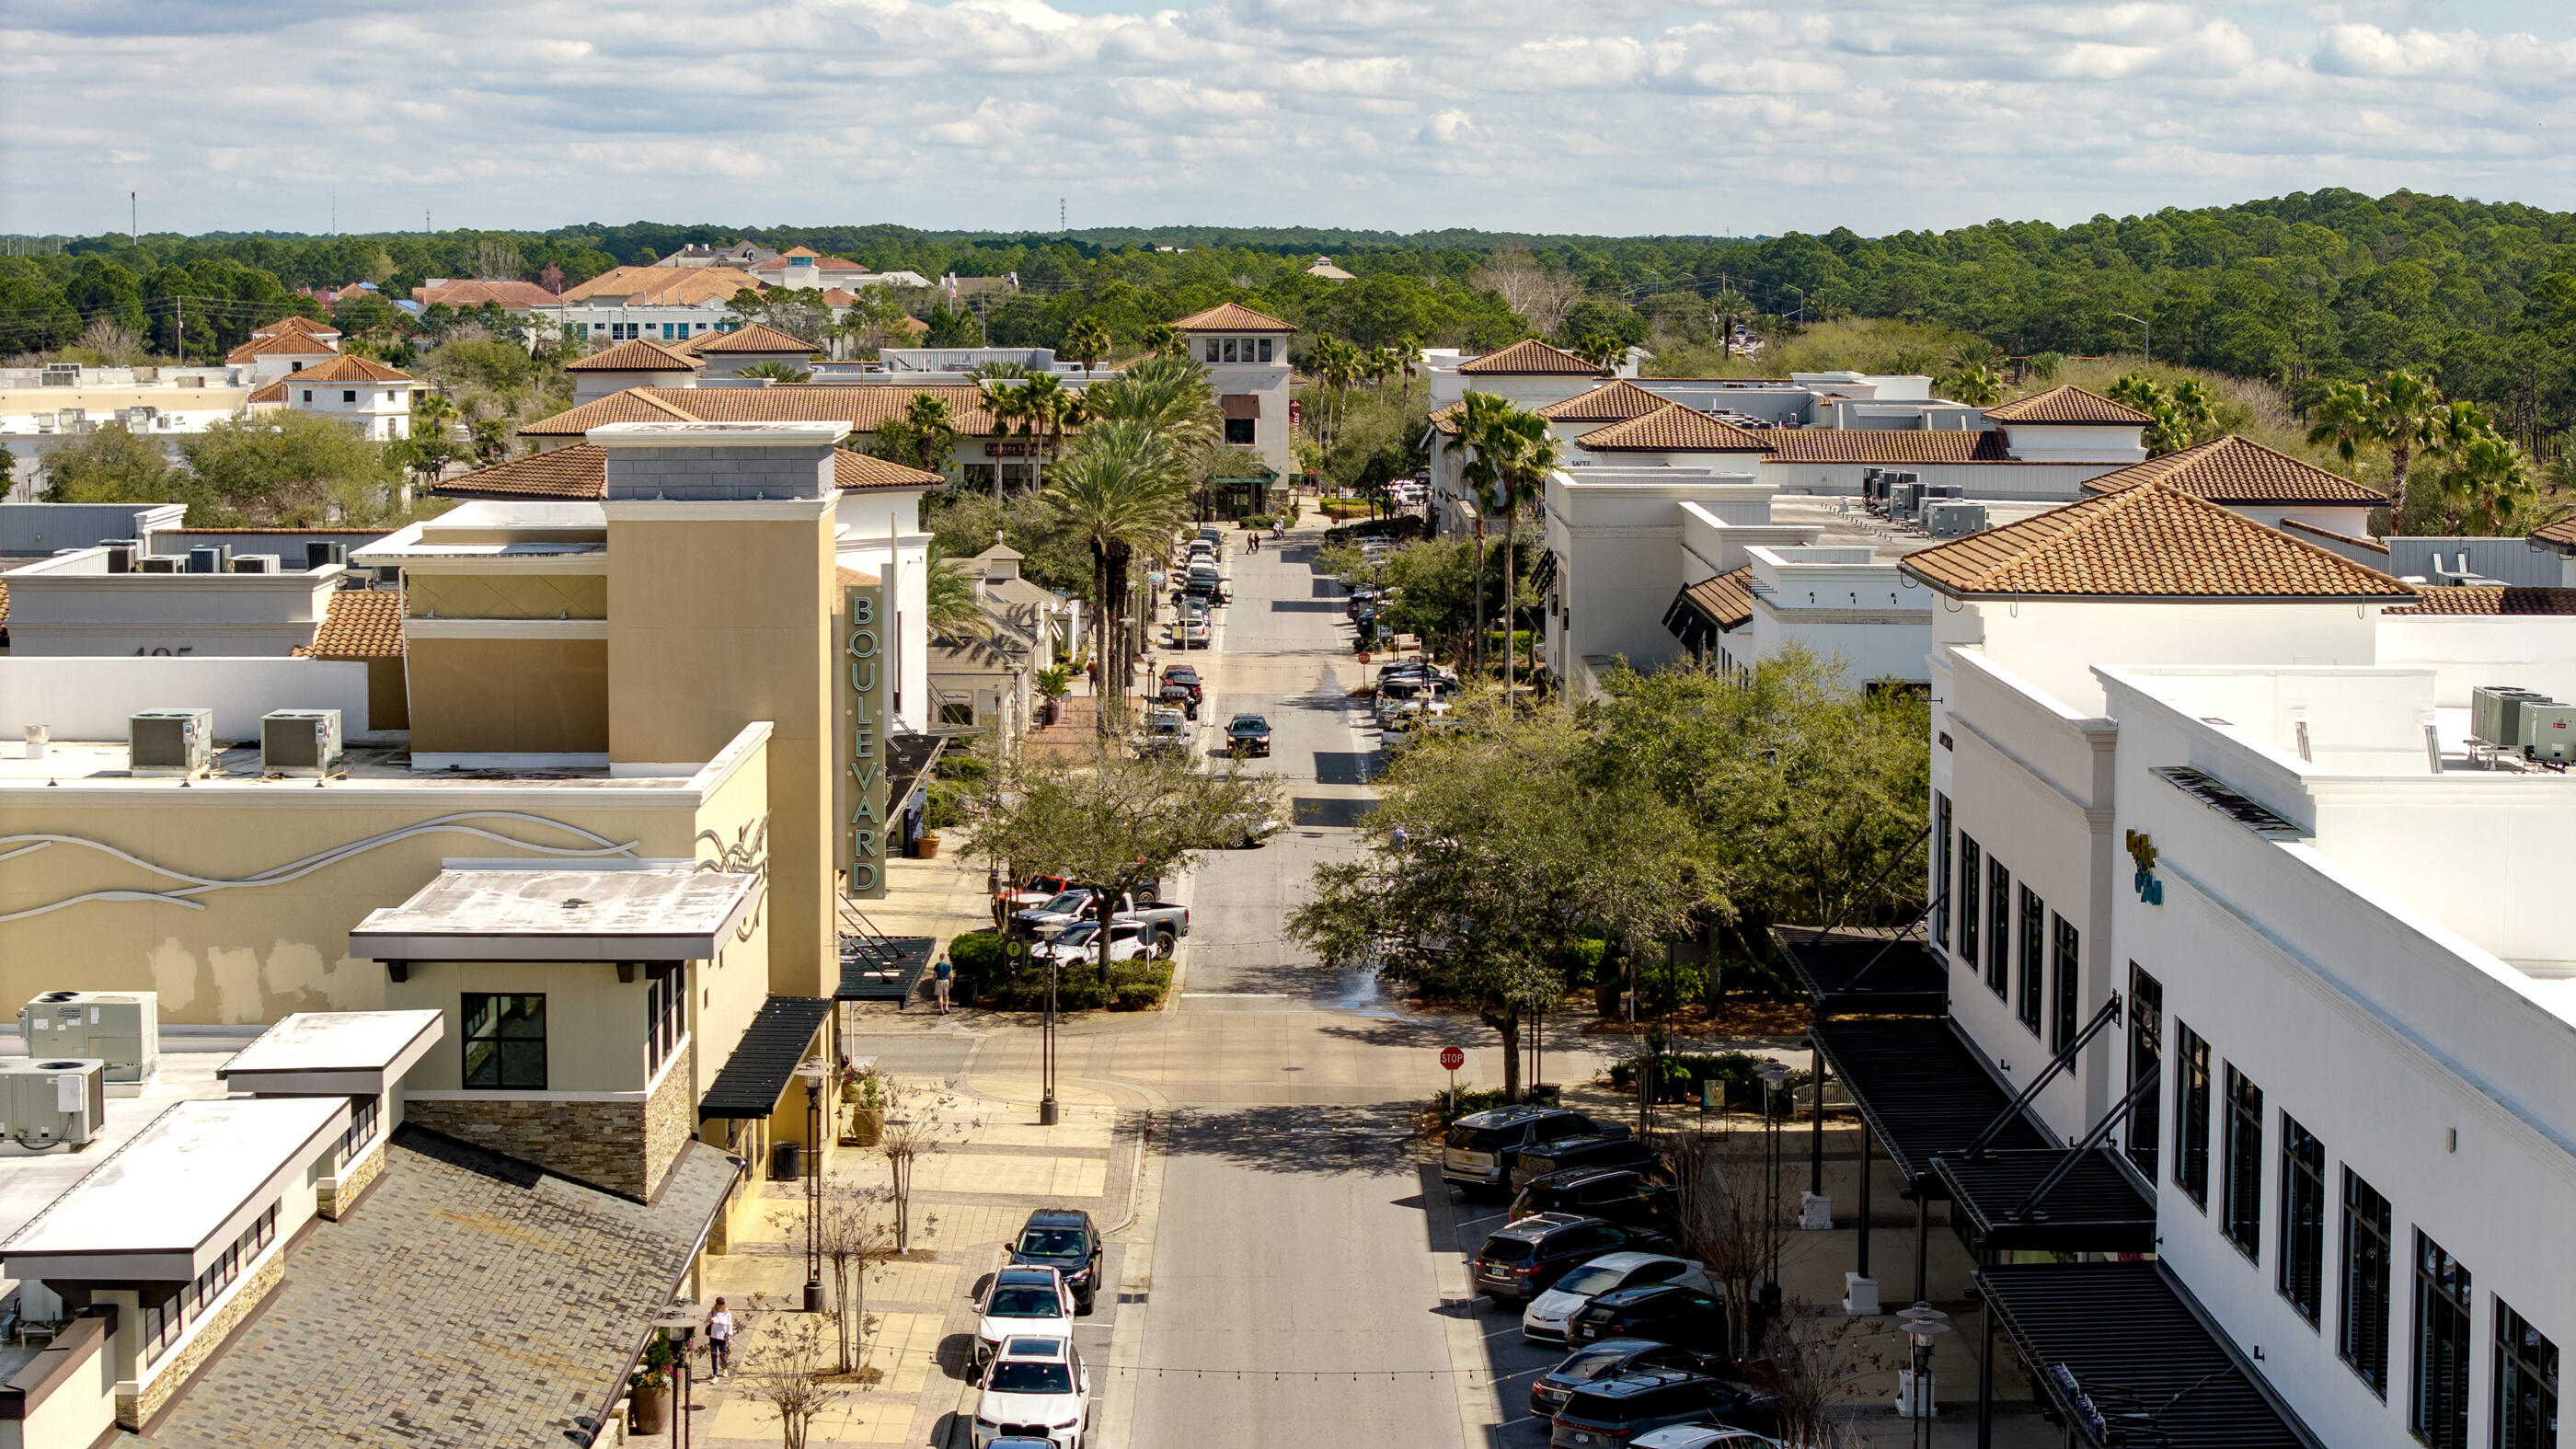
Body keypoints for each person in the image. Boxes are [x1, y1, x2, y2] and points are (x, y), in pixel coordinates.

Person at [705, 1298, 734, 1380]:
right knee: (713, 1355)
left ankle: (724, 1369)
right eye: (719, 1304)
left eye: (722, 1304)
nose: (721, 1306)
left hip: (722, 1337)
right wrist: (710, 1321)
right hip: (713, 1337)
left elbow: (729, 1326)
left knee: (723, 1354)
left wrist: (729, 1338)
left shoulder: (727, 1313)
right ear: (716, 1304)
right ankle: (715, 1372)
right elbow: (705, 1323)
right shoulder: (712, 1313)